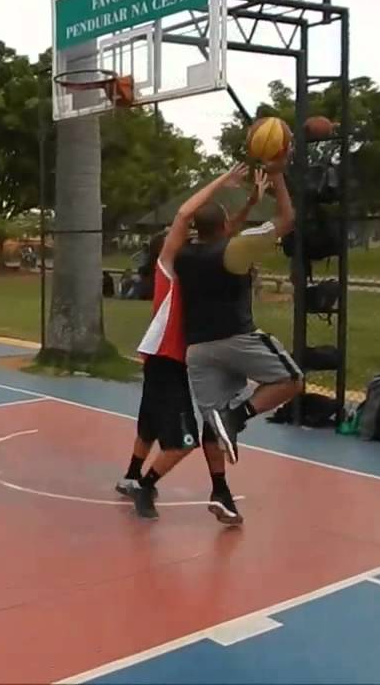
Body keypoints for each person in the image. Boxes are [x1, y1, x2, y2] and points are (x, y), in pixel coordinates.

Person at [175, 148, 302, 524]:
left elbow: (213, 229)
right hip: (236, 339)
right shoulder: (239, 248)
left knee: (209, 421)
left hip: (197, 349)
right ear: (226, 223)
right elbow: (288, 219)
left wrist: (248, 200)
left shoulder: (183, 255)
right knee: (290, 379)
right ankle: (238, 416)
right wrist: (277, 176)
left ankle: (221, 492)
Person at [119, 164, 253, 520]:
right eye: (178, 237)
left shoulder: (198, 263)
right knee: (182, 441)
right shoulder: (168, 269)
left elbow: (223, 233)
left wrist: (251, 200)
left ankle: (138, 476)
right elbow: (184, 215)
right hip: (167, 359)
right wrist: (224, 181)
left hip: (189, 358)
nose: (184, 237)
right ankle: (143, 486)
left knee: (160, 421)